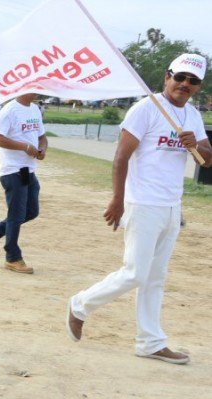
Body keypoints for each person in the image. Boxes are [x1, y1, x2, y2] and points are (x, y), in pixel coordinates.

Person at [67, 53, 212, 364]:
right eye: (180, 77)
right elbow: (120, 158)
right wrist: (117, 200)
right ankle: (80, 305)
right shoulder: (145, 109)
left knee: (155, 277)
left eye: (193, 81)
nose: (184, 84)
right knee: (135, 273)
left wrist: (196, 146)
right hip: (142, 203)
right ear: (167, 77)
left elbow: (208, 158)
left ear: (199, 86)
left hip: (172, 207)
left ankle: (150, 342)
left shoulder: (193, 116)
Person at [0, 93, 47, 274]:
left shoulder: (35, 109)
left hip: (29, 170)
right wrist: (24, 146)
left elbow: (42, 137)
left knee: (31, 211)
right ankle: (12, 258)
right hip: (12, 170)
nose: (38, 89)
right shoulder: (10, 110)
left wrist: (42, 149)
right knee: (16, 214)